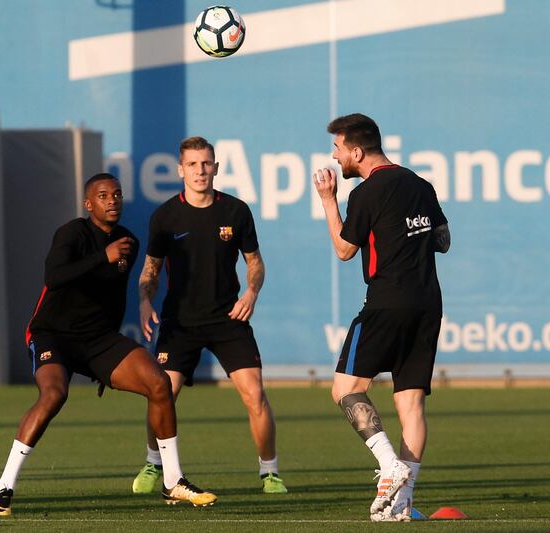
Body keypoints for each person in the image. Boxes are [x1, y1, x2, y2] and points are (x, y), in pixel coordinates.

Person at [0, 173, 216, 516]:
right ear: (88, 203)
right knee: (54, 395)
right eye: (103, 195)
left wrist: (105, 364)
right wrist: (102, 256)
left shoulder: (129, 242)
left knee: (159, 383)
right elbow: (54, 277)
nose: (112, 200)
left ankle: (173, 482)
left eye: (117, 194)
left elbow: (110, 300)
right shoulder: (72, 233)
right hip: (53, 334)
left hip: (98, 339)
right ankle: (4, 487)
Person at [312, 113, 450, 521]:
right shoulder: (420, 185)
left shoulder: (365, 193)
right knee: (411, 403)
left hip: (386, 301)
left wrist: (327, 200)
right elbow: (443, 240)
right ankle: (402, 504)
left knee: (345, 389)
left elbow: (344, 249)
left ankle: (390, 465)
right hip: (428, 303)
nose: (335, 158)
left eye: (338, 149)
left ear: (357, 151)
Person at [131, 136, 287, 495]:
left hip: (228, 320)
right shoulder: (165, 216)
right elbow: (150, 271)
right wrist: (143, 300)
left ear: (216, 167)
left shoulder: (235, 211)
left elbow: (255, 264)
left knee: (255, 395)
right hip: (179, 322)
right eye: (193, 164)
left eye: (206, 164)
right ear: (180, 169)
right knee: (161, 393)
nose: (200, 171)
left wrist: (252, 292)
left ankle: (270, 473)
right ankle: (154, 463)